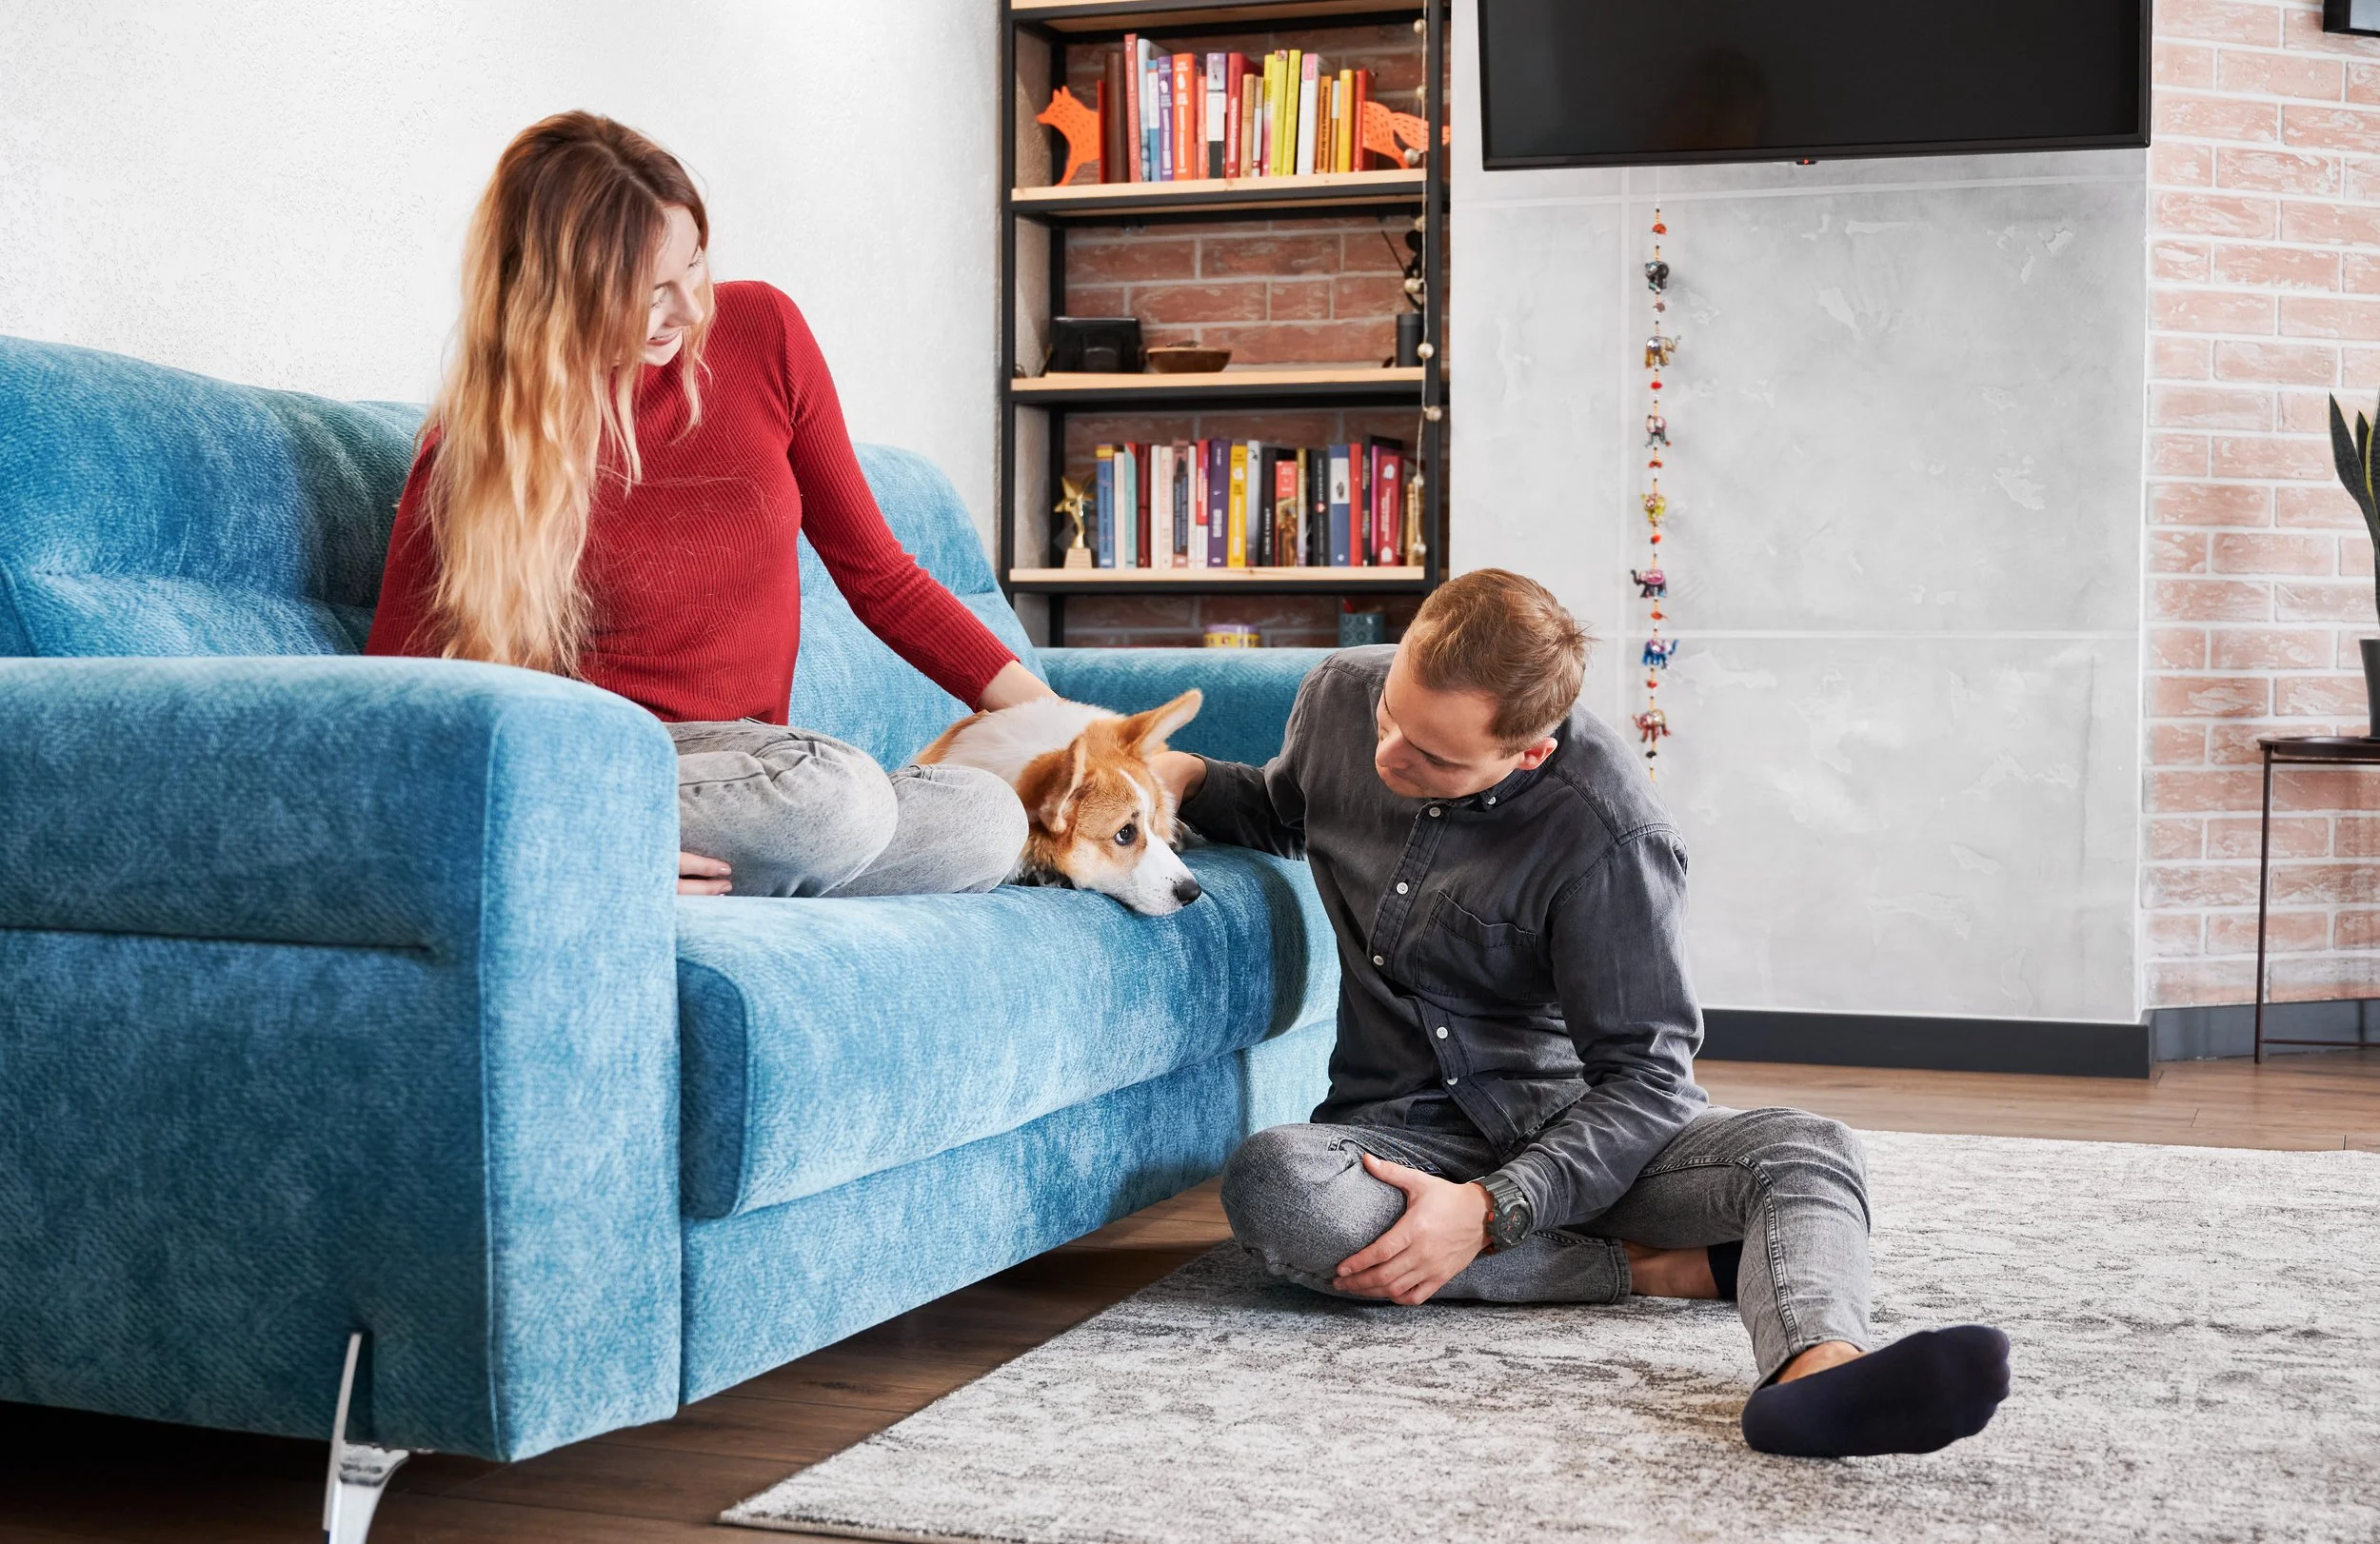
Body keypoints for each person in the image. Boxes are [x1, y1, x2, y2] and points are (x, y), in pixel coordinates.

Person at [1150, 569, 2011, 1457]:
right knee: (1277, 1187)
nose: (1390, 758)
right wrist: (1185, 777)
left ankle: (1817, 1369)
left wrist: (1492, 1210)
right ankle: (1656, 1268)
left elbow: (1645, 1079)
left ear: (1528, 752)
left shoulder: (1611, 838)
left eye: (1435, 758)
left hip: (1574, 1133)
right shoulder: (1341, 696)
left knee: (1809, 1149)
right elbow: (1289, 806)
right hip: (1397, 1134)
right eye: (1391, 719)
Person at [367, 111, 1043, 899]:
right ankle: (623, 866)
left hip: (760, 770)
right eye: (652, 291)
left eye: (695, 265)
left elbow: (881, 576)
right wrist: (602, 854)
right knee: (836, 799)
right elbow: (397, 717)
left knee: (988, 820)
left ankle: (740, 870)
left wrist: (1068, 731)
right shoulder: (474, 458)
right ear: (560, 294)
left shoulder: (764, 331)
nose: (691, 309)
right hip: (614, 774)